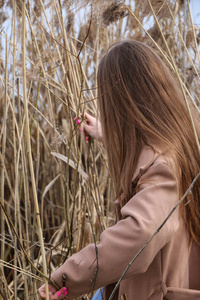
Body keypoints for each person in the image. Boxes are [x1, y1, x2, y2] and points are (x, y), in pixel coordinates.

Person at [38, 40, 200, 300]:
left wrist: (66, 278)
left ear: (121, 103)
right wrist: (105, 131)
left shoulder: (163, 167)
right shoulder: (184, 137)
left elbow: (140, 233)